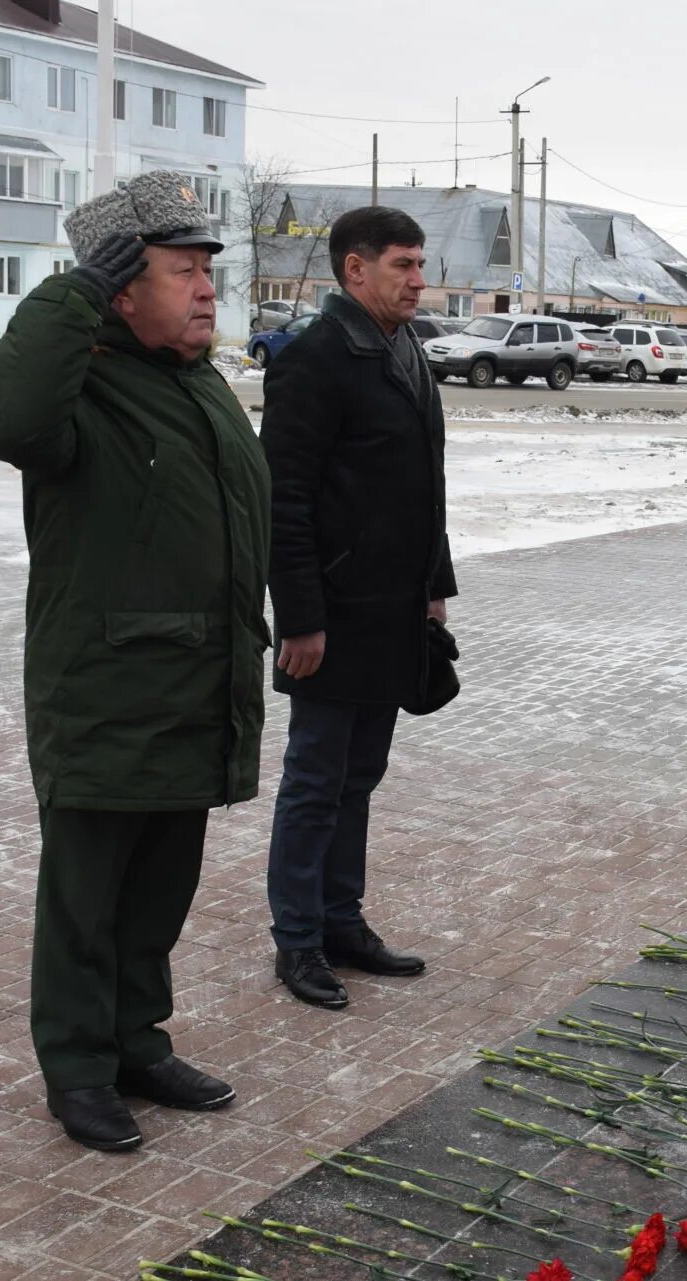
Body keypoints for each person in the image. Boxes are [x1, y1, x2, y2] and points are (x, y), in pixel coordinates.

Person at [0, 171, 271, 1151]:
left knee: (156, 894)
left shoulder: (195, 383)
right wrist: (69, 295)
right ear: (119, 288)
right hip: (105, 690)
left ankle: (137, 1043)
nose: (204, 287)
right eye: (181, 270)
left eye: (206, 271)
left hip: (192, 686)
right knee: (86, 901)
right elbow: (9, 418)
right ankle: (77, 1068)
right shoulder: (82, 384)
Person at [259, 206, 457, 1010]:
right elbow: (286, 498)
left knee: (360, 776)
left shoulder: (404, 349)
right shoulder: (316, 358)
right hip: (333, 614)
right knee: (315, 778)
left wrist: (435, 589)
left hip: (392, 610)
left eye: (420, 265)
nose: (419, 280)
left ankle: (343, 921)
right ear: (355, 270)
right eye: (404, 265)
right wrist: (300, 617)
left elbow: (423, 487)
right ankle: (298, 941)